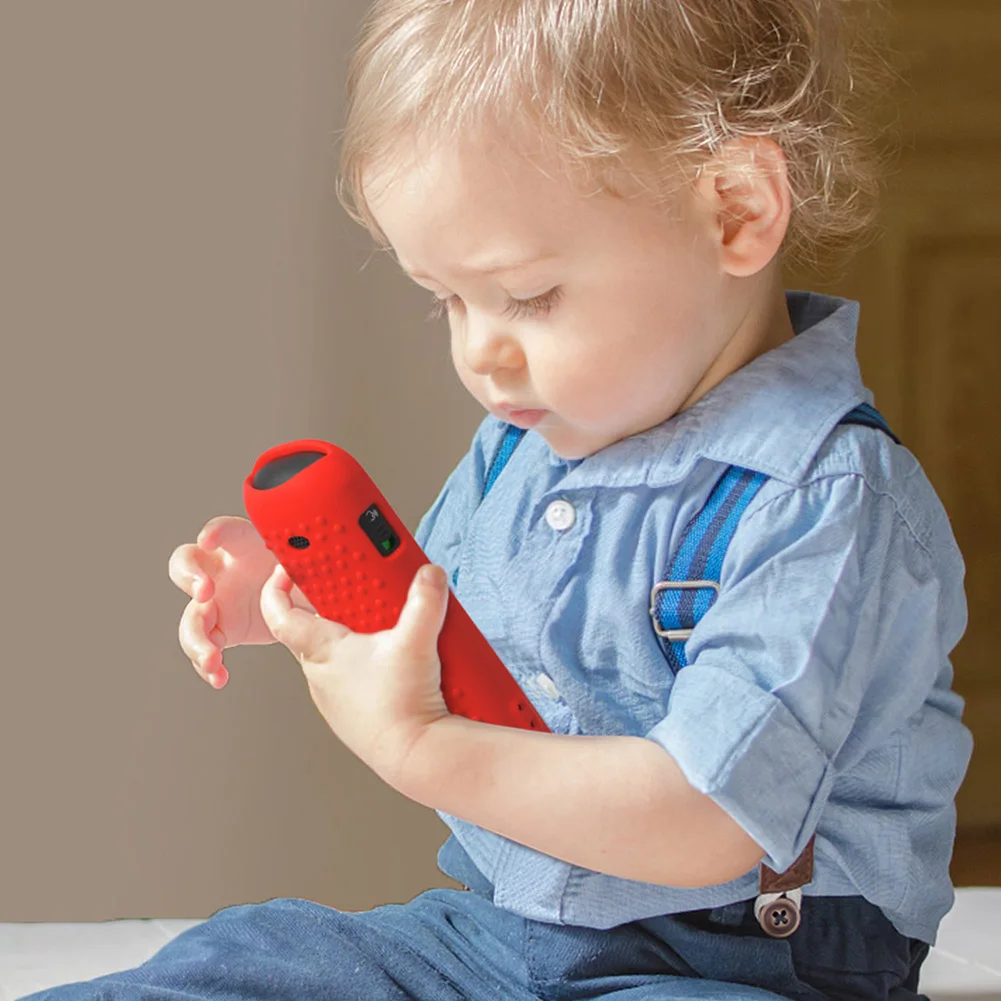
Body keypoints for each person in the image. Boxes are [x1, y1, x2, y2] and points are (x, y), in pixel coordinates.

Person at [25, 0, 973, 998]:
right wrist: (292, 586)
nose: (479, 351)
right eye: (446, 299)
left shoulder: (825, 501)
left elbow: (706, 817)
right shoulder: (522, 446)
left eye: (526, 294)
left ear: (735, 210)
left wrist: (422, 750)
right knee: (246, 956)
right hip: (501, 929)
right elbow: (432, 621)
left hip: (736, 959)